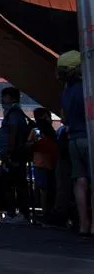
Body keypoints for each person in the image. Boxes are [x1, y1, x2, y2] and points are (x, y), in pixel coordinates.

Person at [56, 50, 93, 236]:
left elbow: (63, 119)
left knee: (80, 181)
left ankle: (83, 225)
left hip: (73, 140)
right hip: (89, 137)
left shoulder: (66, 92)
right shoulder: (87, 88)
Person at [0, 86, 32, 223]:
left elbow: (13, 131)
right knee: (17, 183)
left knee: (13, 183)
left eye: (4, 97)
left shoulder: (13, 113)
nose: (2, 100)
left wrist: (9, 151)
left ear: (11, 98)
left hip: (14, 154)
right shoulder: (16, 112)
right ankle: (20, 213)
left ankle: (16, 213)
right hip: (16, 153)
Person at [27, 107, 59, 224]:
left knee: (43, 188)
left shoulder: (36, 131)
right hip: (50, 161)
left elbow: (29, 144)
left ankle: (45, 211)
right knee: (49, 188)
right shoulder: (50, 132)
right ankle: (48, 211)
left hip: (40, 162)